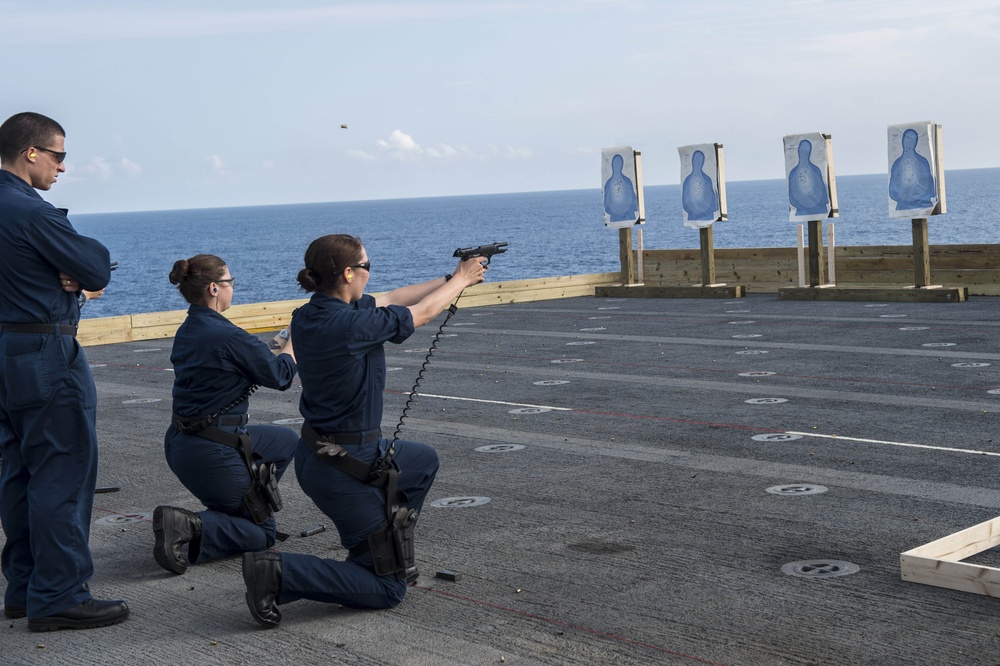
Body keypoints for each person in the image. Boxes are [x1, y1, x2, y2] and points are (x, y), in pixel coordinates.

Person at [241, 234, 487, 628]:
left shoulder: (311, 314)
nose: (371, 275)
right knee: (388, 590)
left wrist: (454, 277)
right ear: (349, 273)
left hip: (323, 452)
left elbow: (394, 297)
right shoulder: (349, 325)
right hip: (345, 465)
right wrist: (459, 282)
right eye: (367, 267)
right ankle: (279, 571)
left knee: (422, 462)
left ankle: (378, 550)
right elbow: (419, 314)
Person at [0, 111, 128, 631]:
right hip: (44, 352)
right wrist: (72, 275)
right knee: (63, 471)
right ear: (31, 152)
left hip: (5, 351)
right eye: (59, 155)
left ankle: (25, 589)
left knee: (18, 471)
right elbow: (96, 266)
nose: (62, 167)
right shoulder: (31, 211)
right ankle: (59, 595)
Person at [154, 254, 298, 576]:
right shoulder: (227, 336)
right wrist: (296, 341)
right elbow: (281, 376)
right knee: (263, 534)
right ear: (215, 288)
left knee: (286, 441)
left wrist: (286, 336)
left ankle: (237, 509)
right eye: (230, 282)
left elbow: (256, 357)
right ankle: (190, 525)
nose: (234, 287)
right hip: (212, 452)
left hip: (183, 443)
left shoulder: (191, 329)